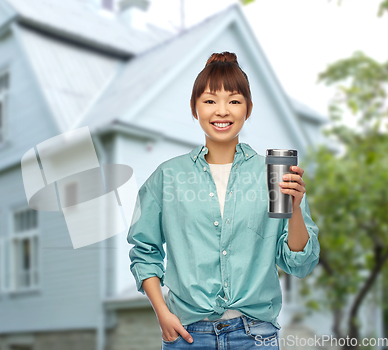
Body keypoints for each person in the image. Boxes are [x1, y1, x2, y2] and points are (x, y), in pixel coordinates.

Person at [127, 51, 320, 350]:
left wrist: (295, 209)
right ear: (194, 108)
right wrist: (162, 313)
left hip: (256, 336)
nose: (222, 111)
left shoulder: (273, 173)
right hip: (187, 335)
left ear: (248, 108)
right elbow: (144, 250)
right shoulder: (168, 177)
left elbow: (299, 264)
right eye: (209, 101)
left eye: (233, 100)